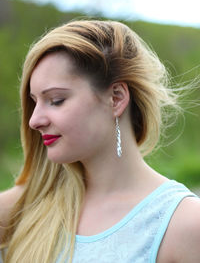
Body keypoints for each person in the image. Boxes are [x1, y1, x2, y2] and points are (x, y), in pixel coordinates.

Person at [0, 20, 200, 263]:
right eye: (34, 102)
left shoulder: (180, 223)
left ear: (116, 98)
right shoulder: (28, 204)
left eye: (56, 100)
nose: (34, 120)